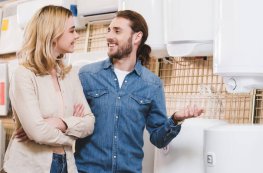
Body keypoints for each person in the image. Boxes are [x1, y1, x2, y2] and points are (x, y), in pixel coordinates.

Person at [74, 10, 204, 173]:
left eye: (117, 31)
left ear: (137, 37)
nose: (109, 36)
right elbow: (74, 121)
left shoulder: (152, 84)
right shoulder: (87, 75)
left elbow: (158, 139)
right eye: (109, 30)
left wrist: (176, 119)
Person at [4, 5, 95, 173]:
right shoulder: (24, 75)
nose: (77, 35)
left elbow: (89, 122)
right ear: (53, 35)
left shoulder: (70, 74)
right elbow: (38, 132)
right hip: (29, 166)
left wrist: (59, 122)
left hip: (66, 163)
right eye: (72, 30)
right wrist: (72, 135)